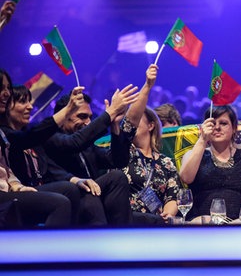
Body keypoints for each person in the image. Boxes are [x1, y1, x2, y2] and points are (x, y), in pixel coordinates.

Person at [42, 85, 139, 225]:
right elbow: (74, 143)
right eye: (82, 116)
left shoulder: (87, 146)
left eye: (90, 117)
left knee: (117, 177)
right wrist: (109, 113)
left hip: (92, 195)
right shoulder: (51, 137)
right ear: (63, 116)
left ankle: (122, 236)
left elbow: (118, 161)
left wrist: (115, 125)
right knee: (90, 194)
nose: (88, 122)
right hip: (68, 197)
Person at [0, 70, 83, 227]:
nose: (30, 107)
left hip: (12, 189)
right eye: (0, 88)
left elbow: (4, 170)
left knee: (71, 189)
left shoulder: (9, 135)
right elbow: (27, 138)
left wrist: (16, 185)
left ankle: (76, 241)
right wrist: (68, 110)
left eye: (7, 88)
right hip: (5, 195)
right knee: (60, 202)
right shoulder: (11, 133)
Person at [121, 64, 181, 224]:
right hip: (126, 221)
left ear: (151, 125)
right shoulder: (122, 153)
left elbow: (172, 196)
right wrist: (147, 85)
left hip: (156, 224)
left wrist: (167, 214)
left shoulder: (166, 163)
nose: (133, 123)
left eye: (139, 119)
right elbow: (129, 120)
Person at [180, 105, 241, 220]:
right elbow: (186, 178)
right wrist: (203, 140)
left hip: (238, 224)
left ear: (234, 128)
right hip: (202, 224)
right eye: (212, 124)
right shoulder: (194, 154)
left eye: (223, 123)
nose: (217, 128)